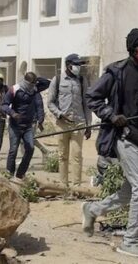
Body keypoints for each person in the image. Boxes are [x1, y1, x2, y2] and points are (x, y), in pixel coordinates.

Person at [81, 28, 138, 259]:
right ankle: (130, 241)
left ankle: (92, 210)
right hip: (123, 137)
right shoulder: (116, 72)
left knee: (129, 192)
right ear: (132, 49)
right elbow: (92, 97)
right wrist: (111, 115)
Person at [47, 53, 92, 185]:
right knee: (62, 156)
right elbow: (50, 102)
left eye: (79, 65)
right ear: (68, 65)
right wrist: (60, 114)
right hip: (62, 124)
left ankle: (77, 186)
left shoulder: (83, 81)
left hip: (79, 123)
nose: (78, 67)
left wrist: (88, 125)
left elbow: (86, 104)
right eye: (76, 64)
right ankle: (63, 185)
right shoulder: (58, 80)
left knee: (77, 155)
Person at [2, 72, 45, 180]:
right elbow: (4, 105)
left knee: (30, 148)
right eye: (31, 83)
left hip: (28, 126)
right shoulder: (14, 89)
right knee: (13, 150)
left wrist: (40, 120)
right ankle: (9, 174)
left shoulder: (35, 90)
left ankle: (20, 174)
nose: (33, 86)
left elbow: (47, 83)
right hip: (15, 125)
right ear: (25, 82)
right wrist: (12, 113)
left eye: (34, 84)